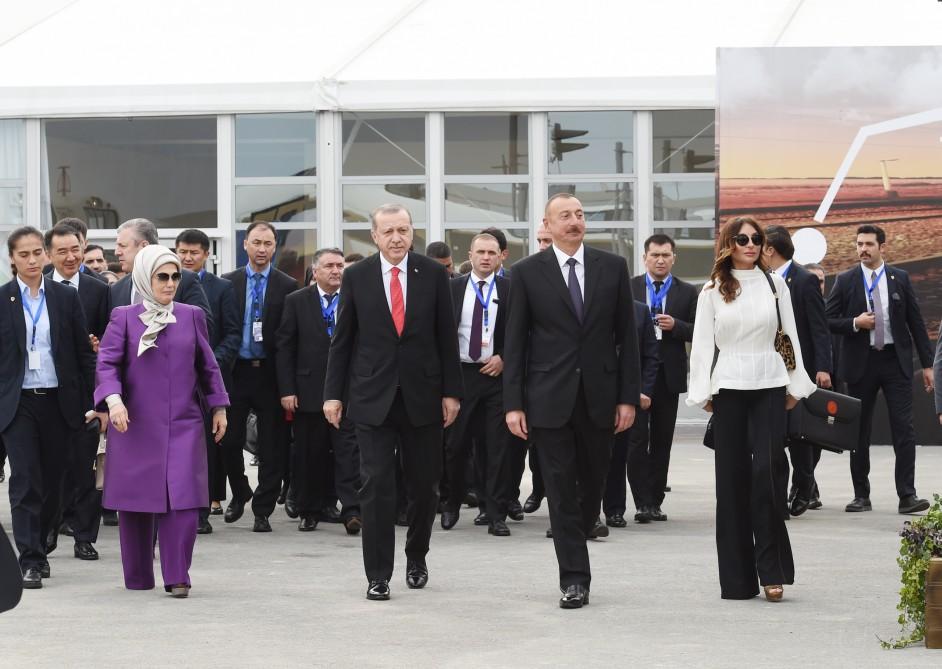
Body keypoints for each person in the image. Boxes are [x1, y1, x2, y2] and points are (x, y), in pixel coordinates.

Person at [503, 192, 641, 609]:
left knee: (593, 485)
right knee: (560, 489)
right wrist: (513, 403)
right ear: (547, 224)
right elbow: (514, 343)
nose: (574, 221)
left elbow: (627, 339)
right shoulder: (527, 273)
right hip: (548, 399)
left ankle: (581, 531)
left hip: (599, 397)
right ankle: (575, 578)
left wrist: (627, 398)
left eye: (579, 214)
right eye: (565, 215)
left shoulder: (612, 268)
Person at [324, 203, 461, 601]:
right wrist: (333, 394)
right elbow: (344, 339)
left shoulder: (433, 274)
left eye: (403, 229)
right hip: (372, 397)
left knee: (424, 487)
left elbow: (445, 338)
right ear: (375, 236)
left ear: (412, 232)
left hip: (423, 397)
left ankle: (416, 556)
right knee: (376, 485)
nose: (397, 237)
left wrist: (452, 392)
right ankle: (378, 574)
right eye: (389, 231)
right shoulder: (358, 277)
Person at [687, 216, 816, 602]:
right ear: (729, 243)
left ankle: (772, 570)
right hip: (728, 389)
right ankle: (738, 580)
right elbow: (702, 346)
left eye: (756, 239)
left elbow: (789, 337)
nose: (751, 244)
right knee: (731, 486)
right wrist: (702, 393)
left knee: (768, 476)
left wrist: (796, 386)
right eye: (742, 239)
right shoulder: (711, 290)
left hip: (770, 387)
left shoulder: (777, 285)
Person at [95, 245, 228, 597]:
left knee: (182, 500)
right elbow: (107, 363)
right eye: (162, 277)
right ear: (144, 278)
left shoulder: (191, 316)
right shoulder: (123, 317)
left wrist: (219, 407)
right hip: (134, 423)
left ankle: (178, 575)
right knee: (137, 503)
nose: (170, 284)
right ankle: (138, 575)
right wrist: (113, 400)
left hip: (184, 424)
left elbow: (208, 366)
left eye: (174, 277)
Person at [0, 227, 98, 589]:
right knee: (24, 479)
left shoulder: (64, 298)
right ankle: (30, 559)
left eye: (36, 253)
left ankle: (42, 540)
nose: (30, 260)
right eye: (22, 254)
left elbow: (83, 354)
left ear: (44, 255)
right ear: (12, 258)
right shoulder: (3, 299)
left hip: (60, 401)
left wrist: (96, 402)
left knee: (55, 482)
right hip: (18, 403)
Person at [825, 224, 933, 515]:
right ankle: (861, 495)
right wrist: (854, 323)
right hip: (861, 363)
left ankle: (907, 496)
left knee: (904, 429)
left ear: (882, 247)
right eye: (859, 244)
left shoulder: (900, 278)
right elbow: (827, 319)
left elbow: (916, 323)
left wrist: (928, 365)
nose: (863, 249)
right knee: (859, 431)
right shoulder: (846, 280)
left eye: (869, 244)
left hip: (894, 361)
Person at [276, 248, 362, 535]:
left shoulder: (355, 298)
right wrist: (287, 389)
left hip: (348, 390)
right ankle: (309, 510)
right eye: (329, 266)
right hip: (308, 389)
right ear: (315, 271)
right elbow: (285, 347)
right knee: (309, 454)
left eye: (340, 265)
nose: (336, 270)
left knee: (347, 453)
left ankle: (351, 510)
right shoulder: (297, 301)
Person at [221, 221, 298, 532]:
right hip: (236, 372)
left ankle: (263, 509)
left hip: (270, 373)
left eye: (268, 243)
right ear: (245, 245)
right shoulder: (228, 283)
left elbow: (290, 339)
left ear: (275, 246)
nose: (262, 249)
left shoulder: (287, 285)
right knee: (228, 440)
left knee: (272, 446)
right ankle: (240, 492)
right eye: (256, 243)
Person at [43, 224, 111, 561]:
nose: (71, 257)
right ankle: (49, 532)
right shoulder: (34, 286)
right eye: (63, 252)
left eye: (76, 250)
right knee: (50, 470)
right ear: (49, 254)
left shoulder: (99, 290)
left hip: (85, 391)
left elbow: (110, 342)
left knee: (86, 468)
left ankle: (85, 536)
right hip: (42, 393)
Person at [440, 233, 512, 535]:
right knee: (455, 446)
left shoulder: (511, 289)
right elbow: (441, 334)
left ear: (501, 257)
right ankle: (451, 503)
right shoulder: (452, 288)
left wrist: (504, 357)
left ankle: (495, 513)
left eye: (491, 252)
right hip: (461, 375)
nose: (485, 257)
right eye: (480, 252)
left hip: (496, 376)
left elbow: (523, 331)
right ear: (469, 255)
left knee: (497, 448)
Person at [175, 229, 242, 534]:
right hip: (174, 380)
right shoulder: (166, 282)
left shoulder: (222, 287)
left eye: (194, 253)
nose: (187, 258)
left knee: (205, 447)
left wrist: (209, 363)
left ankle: (201, 512)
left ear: (206, 255)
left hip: (209, 378)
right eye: (183, 252)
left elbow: (231, 332)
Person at [762, 226, 832, 517]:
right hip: (767, 369)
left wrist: (823, 368)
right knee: (775, 436)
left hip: (798, 371)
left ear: (770, 250)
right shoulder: (761, 280)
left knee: (800, 434)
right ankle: (778, 494)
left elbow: (819, 327)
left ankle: (804, 485)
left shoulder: (803, 280)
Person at [627, 233, 698, 523]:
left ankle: (655, 500)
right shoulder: (629, 287)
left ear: (673, 258)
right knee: (635, 440)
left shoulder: (687, 291)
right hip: (636, 375)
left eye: (665, 255)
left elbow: (699, 330)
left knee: (661, 441)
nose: (660, 260)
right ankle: (641, 501)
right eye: (655, 255)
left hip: (668, 376)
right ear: (645, 257)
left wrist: (676, 326)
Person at [603, 300, 659, 528]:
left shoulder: (639, 310)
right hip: (595, 391)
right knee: (591, 454)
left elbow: (651, 355)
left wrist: (644, 390)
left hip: (628, 393)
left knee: (621, 452)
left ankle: (615, 510)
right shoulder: (591, 305)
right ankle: (585, 510)